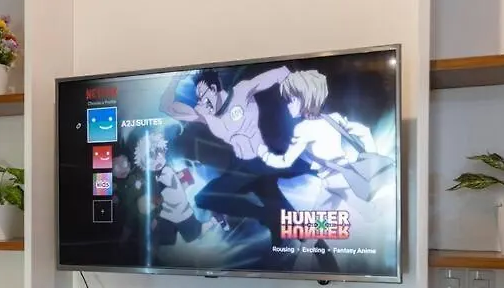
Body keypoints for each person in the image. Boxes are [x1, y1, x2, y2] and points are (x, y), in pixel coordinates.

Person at [159, 66, 308, 244]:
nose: (201, 102)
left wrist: (303, 97)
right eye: (198, 98)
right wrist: (174, 80)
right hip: (241, 167)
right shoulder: (207, 115)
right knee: (206, 198)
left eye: (203, 95)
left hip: (262, 160)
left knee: (274, 202)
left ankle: (283, 224)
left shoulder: (241, 92)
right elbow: (166, 107)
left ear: (213, 89)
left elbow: (280, 73)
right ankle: (279, 222)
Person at [257, 70, 394, 213]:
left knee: (319, 221)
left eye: (291, 100)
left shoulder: (303, 128)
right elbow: (362, 132)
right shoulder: (333, 118)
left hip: (336, 181)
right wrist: (369, 146)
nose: (288, 105)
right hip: (340, 178)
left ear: (305, 99)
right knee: (361, 212)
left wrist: (264, 155)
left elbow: (286, 161)